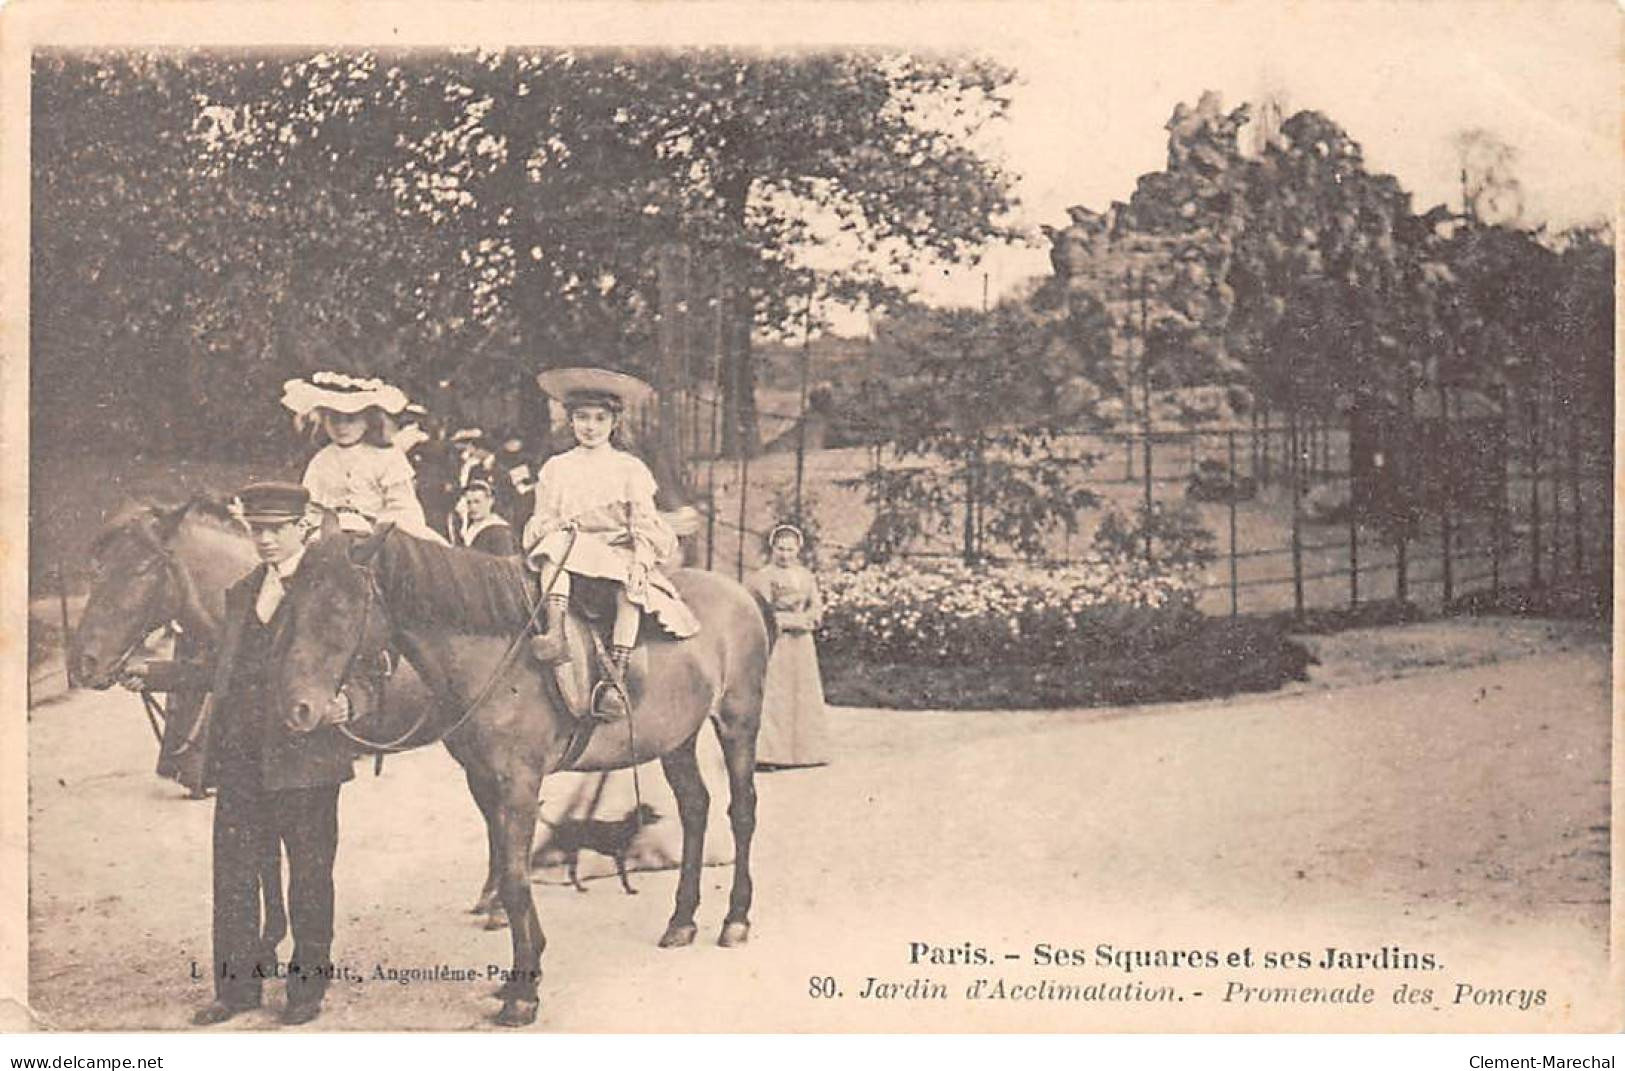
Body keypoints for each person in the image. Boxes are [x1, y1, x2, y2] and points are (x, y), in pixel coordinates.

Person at [191, 482, 360, 1027]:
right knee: (235, 871)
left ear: (302, 527)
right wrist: (150, 673)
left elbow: (371, 662)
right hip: (241, 755)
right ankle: (236, 990)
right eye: (256, 529)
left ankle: (305, 991)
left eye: (276, 529)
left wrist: (350, 703)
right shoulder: (243, 592)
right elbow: (225, 668)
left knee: (309, 874)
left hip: (307, 757)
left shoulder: (335, 588)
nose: (265, 540)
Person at [523, 368, 699, 721]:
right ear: (570, 420)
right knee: (555, 546)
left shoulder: (628, 469)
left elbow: (645, 525)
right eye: (582, 417)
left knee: (630, 593)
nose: (590, 426)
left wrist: (640, 562)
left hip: (616, 553)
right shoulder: (557, 468)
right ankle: (555, 632)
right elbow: (540, 520)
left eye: (600, 418)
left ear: (614, 422)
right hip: (570, 551)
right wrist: (558, 524)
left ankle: (615, 680)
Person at [280, 371, 442, 542]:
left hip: (380, 533)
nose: (342, 428)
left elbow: (402, 506)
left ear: (367, 421)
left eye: (350, 420)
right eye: (334, 419)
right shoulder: (322, 460)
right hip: (331, 533)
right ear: (324, 421)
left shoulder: (387, 457)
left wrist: (377, 529)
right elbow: (311, 505)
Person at [746, 524, 830, 769]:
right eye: (780, 549)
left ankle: (806, 753)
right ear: (773, 549)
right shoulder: (764, 576)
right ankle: (770, 754)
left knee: (802, 694)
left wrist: (808, 619)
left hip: (802, 644)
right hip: (777, 641)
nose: (785, 554)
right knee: (776, 694)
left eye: (790, 549)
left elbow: (816, 607)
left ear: (798, 550)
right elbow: (762, 611)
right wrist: (790, 621)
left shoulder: (806, 576)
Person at [454, 478, 519, 557]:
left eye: (477, 502)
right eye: (469, 502)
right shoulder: (470, 527)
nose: (473, 507)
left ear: (490, 501)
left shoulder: (500, 532)